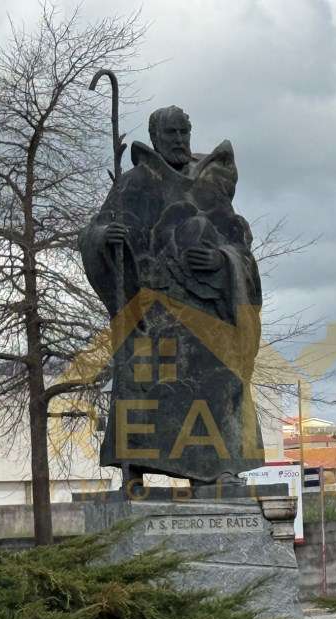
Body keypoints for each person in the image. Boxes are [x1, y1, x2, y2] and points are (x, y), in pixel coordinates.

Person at [80, 106, 265, 486]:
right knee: (146, 388)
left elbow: (240, 248)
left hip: (207, 312)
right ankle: (135, 470)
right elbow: (93, 233)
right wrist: (104, 239)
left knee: (217, 383)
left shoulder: (211, 184)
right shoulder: (134, 184)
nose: (179, 140)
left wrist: (220, 259)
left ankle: (215, 469)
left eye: (184, 132)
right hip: (154, 312)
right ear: (155, 137)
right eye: (171, 134)